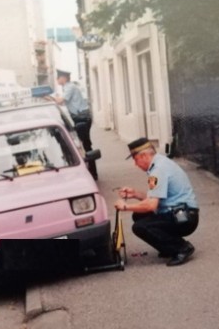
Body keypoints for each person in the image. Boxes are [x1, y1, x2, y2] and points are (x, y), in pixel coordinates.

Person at [115, 137, 200, 266]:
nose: (135, 164)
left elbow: (151, 205)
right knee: (139, 215)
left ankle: (181, 248)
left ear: (143, 155)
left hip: (184, 218)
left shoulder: (158, 170)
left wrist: (125, 206)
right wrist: (134, 193)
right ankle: (168, 247)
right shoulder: (160, 163)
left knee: (139, 226)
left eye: (135, 159)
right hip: (182, 213)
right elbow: (154, 199)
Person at [47, 69, 98, 179]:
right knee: (85, 145)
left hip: (82, 119)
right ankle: (92, 172)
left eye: (58, 77)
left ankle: (93, 174)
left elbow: (60, 101)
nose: (57, 80)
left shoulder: (69, 87)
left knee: (86, 146)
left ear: (64, 78)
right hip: (81, 118)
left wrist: (48, 97)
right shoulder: (68, 87)